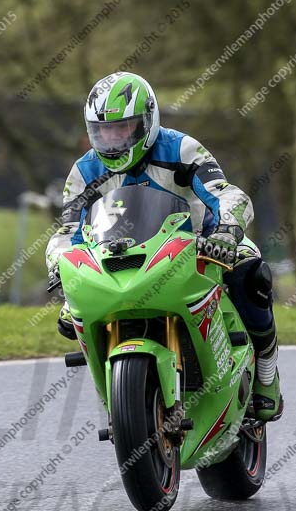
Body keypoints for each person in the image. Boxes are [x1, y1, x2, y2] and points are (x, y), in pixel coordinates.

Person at [45, 72, 283, 422]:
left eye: (123, 129)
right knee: (72, 318)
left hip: (203, 244)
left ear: (148, 121)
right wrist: (62, 270)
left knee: (252, 277)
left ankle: (266, 376)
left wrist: (226, 233)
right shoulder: (84, 171)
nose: (113, 141)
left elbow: (226, 194)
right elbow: (69, 231)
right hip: (121, 259)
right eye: (104, 132)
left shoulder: (182, 149)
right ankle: (125, 405)